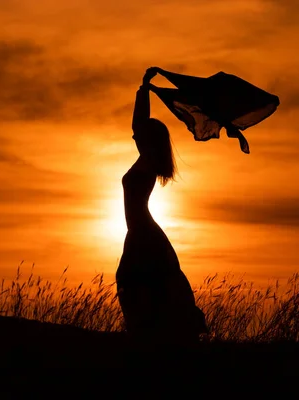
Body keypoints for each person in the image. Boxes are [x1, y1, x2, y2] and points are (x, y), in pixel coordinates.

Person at [115, 67, 208, 346]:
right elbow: (137, 125)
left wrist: (144, 91)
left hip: (143, 231)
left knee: (139, 280)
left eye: (139, 134)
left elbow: (137, 123)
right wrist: (143, 89)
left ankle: (155, 336)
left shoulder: (149, 159)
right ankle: (152, 334)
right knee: (140, 281)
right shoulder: (148, 159)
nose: (134, 136)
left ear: (148, 139)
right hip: (142, 230)